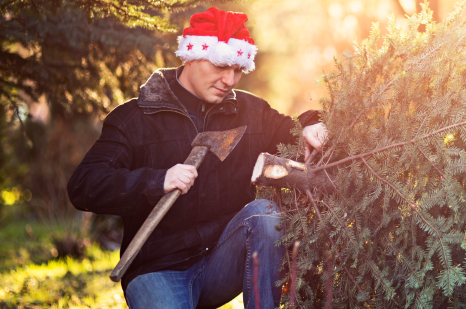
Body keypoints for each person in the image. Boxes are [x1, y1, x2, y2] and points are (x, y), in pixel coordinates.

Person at [67, 7, 326, 309]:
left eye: (238, 69)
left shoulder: (250, 112)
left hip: (221, 259)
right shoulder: (133, 118)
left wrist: (313, 122)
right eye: (221, 65)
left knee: (265, 215)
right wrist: (157, 180)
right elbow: (83, 186)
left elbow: (294, 129)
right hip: (158, 269)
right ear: (191, 54)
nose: (230, 79)